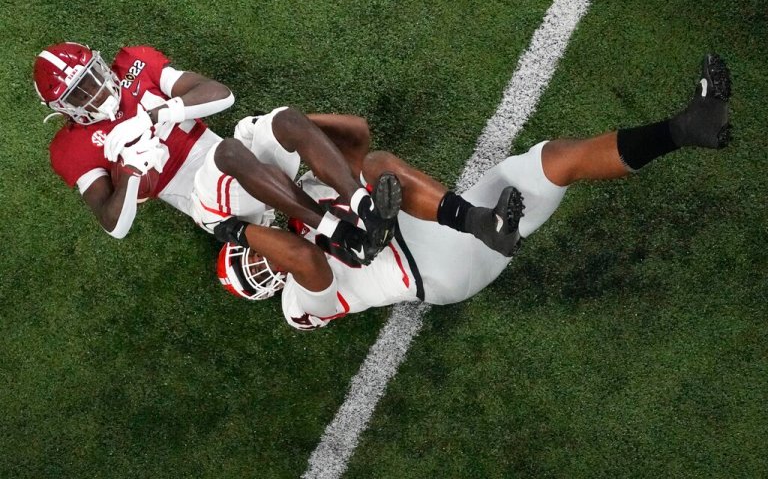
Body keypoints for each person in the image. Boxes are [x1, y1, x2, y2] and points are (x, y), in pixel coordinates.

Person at [215, 54, 732, 330]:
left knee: (554, 161)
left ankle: (685, 129)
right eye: (257, 264)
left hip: (453, 240)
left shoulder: (300, 196)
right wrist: (237, 229)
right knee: (376, 171)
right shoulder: (298, 301)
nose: (265, 260)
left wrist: (290, 129)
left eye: (252, 253)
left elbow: (356, 131)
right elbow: (303, 259)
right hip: (432, 266)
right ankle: (479, 221)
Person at [33, 42, 400, 258]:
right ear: (65, 109)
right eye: (81, 92)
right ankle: (345, 236)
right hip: (206, 200)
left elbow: (222, 94)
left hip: (243, 170)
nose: (96, 89)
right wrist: (130, 173)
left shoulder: (133, 62)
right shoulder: (71, 148)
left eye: (93, 74)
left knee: (286, 119)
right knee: (227, 151)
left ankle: (365, 207)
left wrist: (152, 117)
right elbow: (114, 225)